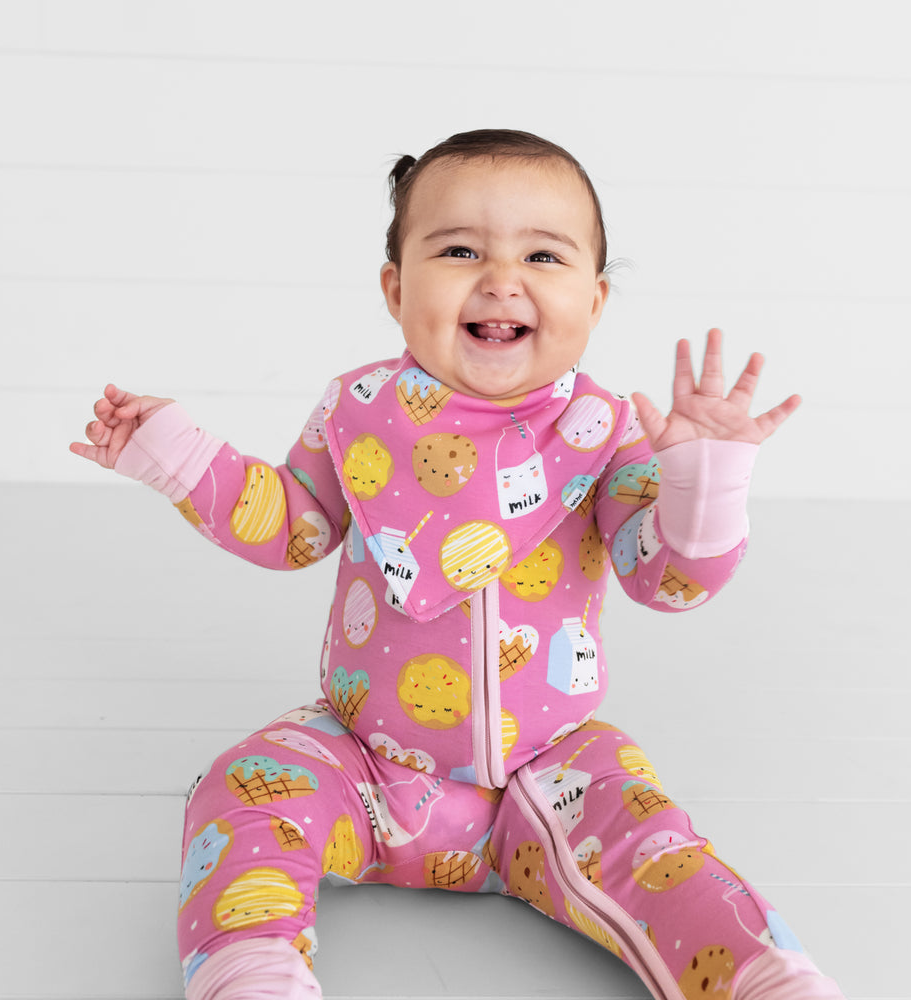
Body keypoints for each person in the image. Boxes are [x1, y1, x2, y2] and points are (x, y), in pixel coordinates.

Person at [71, 130, 844, 1000]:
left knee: (653, 846)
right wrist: (174, 454)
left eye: (542, 254)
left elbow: (665, 579)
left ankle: (765, 979)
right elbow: (293, 525)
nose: (501, 277)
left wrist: (701, 478)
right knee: (239, 790)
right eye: (461, 249)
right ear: (397, 290)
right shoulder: (359, 409)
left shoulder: (605, 430)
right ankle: (252, 972)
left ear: (593, 301)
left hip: (549, 769)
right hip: (366, 759)